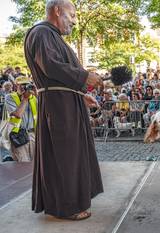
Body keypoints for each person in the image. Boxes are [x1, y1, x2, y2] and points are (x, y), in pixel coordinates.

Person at [24, 0, 103, 220]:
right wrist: (84, 77)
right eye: (72, 14)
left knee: (72, 155)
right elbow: (50, 66)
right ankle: (67, 207)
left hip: (65, 102)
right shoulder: (41, 33)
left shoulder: (52, 36)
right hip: (58, 108)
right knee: (64, 156)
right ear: (57, 11)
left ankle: (73, 201)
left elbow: (58, 77)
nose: (74, 20)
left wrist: (80, 94)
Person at [4, 77, 37, 162]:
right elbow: (18, 114)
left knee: (35, 164)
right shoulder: (10, 97)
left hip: (33, 134)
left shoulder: (33, 98)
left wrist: (37, 94)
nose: (24, 87)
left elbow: (45, 111)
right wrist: (25, 99)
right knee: (22, 163)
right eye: (22, 85)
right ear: (16, 86)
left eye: (26, 84)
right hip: (18, 136)